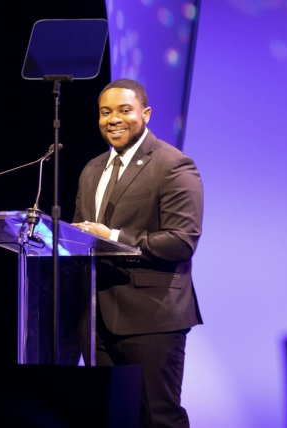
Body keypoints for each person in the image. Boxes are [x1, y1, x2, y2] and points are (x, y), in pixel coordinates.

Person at [71, 78, 204, 428]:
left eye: (124, 110)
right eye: (105, 112)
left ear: (145, 114)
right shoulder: (92, 169)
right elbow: (77, 234)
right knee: (110, 418)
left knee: (157, 419)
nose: (113, 119)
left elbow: (181, 241)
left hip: (151, 319)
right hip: (95, 318)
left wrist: (112, 236)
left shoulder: (173, 165)